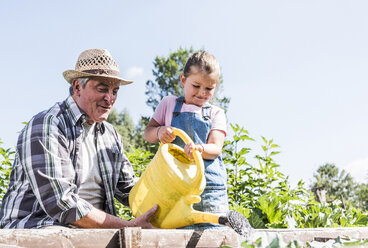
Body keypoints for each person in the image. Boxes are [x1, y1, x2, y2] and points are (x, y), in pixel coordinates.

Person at [0, 49, 158, 229]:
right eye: (102, 89)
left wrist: (170, 194)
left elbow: (130, 190)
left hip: (90, 234)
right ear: (77, 87)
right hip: (36, 228)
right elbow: (60, 202)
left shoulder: (110, 135)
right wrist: (127, 227)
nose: (110, 98)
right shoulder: (48, 124)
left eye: (115, 91)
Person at [144, 51, 229, 229]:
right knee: (177, 237)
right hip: (175, 186)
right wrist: (159, 132)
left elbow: (216, 147)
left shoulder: (216, 113)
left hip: (209, 191)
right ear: (183, 80)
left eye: (209, 89)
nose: (202, 93)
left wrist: (199, 149)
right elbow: (148, 133)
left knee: (213, 235)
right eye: (196, 86)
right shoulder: (169, 104)